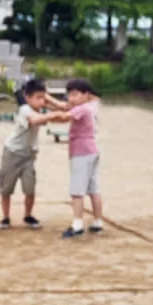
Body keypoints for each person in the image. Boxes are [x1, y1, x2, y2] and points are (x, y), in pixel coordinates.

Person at [0, 78, 59, 229]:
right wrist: (55, 115)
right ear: (27, 97)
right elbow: (34, 120)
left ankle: (28, 215)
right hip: (13, 153)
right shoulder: (25, 109)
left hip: (29, 155)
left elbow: (62, 107)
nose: (41, 101)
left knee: (30, 187)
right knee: (6, 188)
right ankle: (5, 217)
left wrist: (47, 98)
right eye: (38, 98)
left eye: (43, 98)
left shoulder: (40, 108)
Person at [46, 79, 104, 238]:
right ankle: (98, 221)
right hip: (91, 151)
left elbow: (64, 116)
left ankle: (77, 224)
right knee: (93, 189)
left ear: (86, 95)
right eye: (70, 94)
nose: (71, 98)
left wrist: (45, 117)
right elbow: (63, 106)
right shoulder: (90, 105)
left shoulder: (83, 109)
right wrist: (47, 99)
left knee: (77, 190)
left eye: (75, 94)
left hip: (81, 152)